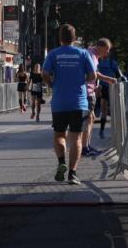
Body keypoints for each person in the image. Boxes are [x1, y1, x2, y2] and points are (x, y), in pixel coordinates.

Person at [41, 24, 98, 186]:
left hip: (59, 102)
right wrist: (80, 81)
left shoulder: (53, 54)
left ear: (60, 38)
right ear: (74, 38)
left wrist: (51, 83)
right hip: (78, 102)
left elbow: (44, 73)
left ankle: (61, 162)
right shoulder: (83, 53)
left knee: (59, 135)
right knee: (77, 139)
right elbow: (93, 75)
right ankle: (72, 174)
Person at [82, 38, 119, 156]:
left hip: (88, 90)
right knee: (88, 120)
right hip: (87, 92)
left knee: (91, 118)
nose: (107, 53)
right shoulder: (92, 56)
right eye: (107, 50)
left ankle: (87, 145)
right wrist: (109, 79)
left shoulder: (91, 53)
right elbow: (93, 73)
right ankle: (84, 148)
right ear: (101, 47)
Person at [96, 44, 123, 138]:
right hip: (103, 88)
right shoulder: (97, 62)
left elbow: (119, 76)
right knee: (104, 110)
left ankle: (114, 132)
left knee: (113, 110)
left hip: (112, 88)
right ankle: (102, 131)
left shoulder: (112, 63)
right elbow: (95, 75)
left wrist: (122, 83)